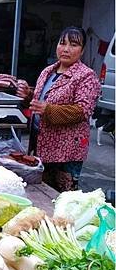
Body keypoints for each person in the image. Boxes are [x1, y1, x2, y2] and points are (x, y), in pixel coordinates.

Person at [27, 26, 101, 192]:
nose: (66, 49)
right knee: (40, 192)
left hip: (66, 150)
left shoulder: (86, 76)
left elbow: (82, 110)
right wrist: (28, 96)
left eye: (73, 45)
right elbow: (42, 99)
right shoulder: (49, 71)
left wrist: (49, 110)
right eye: (62, 43)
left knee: (62, 199)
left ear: (82, 51)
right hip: (41, 144)